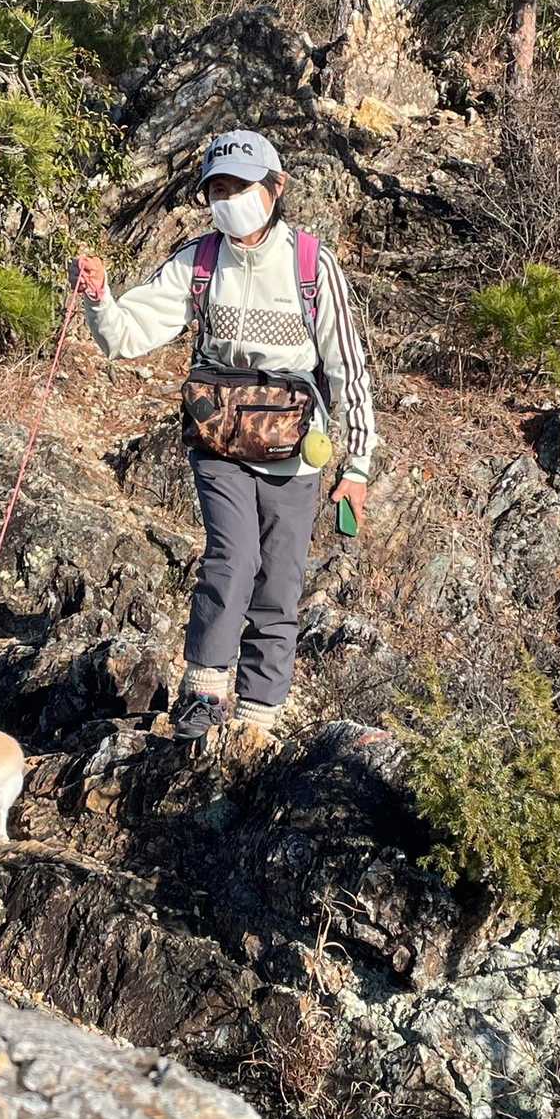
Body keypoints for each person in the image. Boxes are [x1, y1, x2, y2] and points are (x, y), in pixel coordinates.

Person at [72, 129, 376, 741]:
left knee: (281, 581)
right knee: (232, 558)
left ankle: (259, 716)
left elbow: (348, 366)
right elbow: (128, 334)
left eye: (241, 186)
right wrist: (101, 298)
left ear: (276, 187)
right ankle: (204, 691)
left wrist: (358, 465)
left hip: (296, 450)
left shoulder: (312, 266)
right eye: (218, 189)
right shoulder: (199, 262)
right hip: (218, 440)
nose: (229, 199)